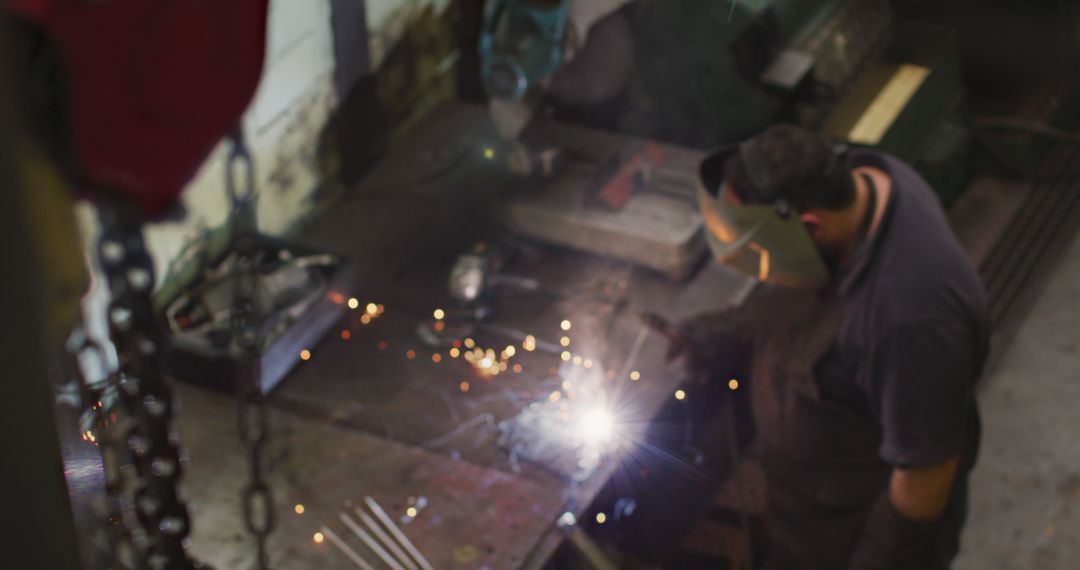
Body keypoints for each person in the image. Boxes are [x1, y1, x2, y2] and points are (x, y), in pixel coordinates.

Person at [659, 125, 988, 569]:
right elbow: (797, 293)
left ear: (810, 227)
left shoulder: (913, 318)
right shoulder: (863, 181)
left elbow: (923, 485)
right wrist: (726, 331)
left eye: (760, 255)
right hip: (808, 498)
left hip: (855, 528)